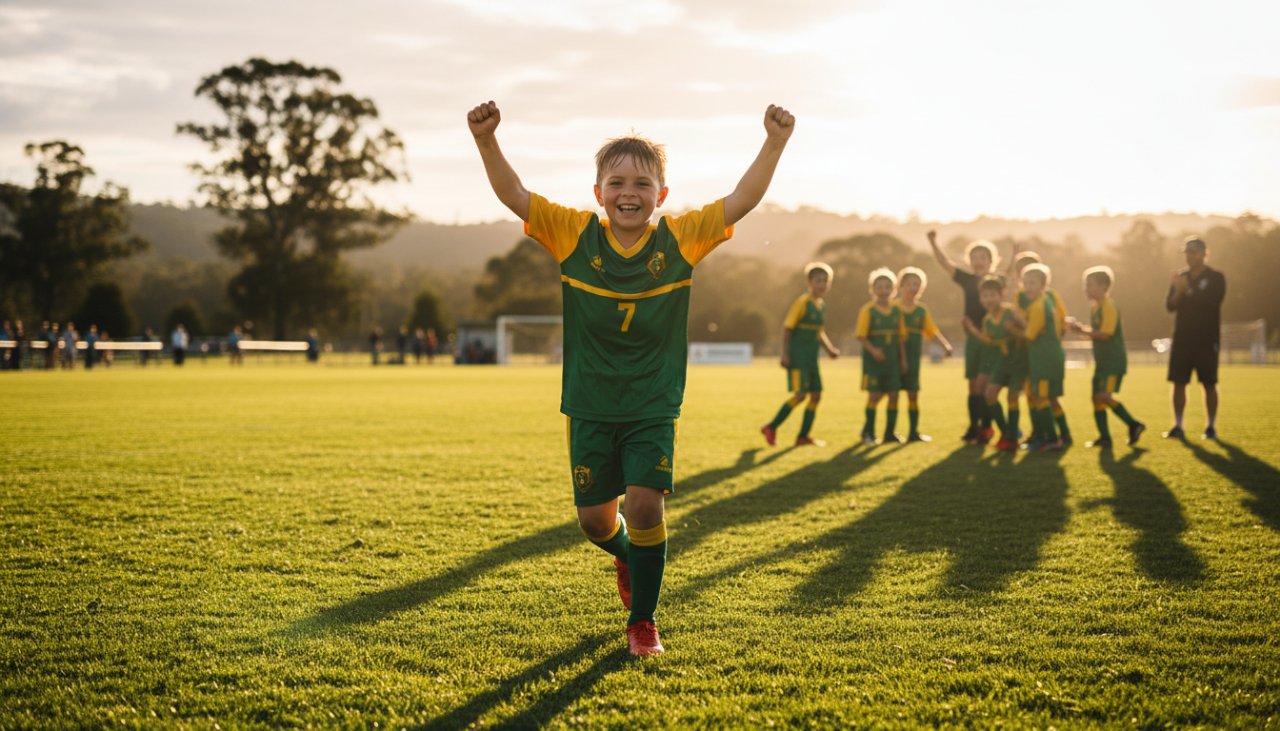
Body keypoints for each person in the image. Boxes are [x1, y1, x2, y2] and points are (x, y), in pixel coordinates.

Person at [468, 98, 794, 656]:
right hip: (590, 404)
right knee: (596, 522)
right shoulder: (573, 235)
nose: (629, 192)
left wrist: (774, 141)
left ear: (661, 195)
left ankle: (643, 622)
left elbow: (741, 200)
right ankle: (625, 554)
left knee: (645, 504)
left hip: (652, 402)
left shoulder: (680, 239)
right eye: (616, 182)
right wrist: (486, 140)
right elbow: (514, 196)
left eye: (643, 184)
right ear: (598, 193)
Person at [927, 231, 1013, 442]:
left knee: (985, 385)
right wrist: (933, 242)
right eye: (974, 258)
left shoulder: (997, 280)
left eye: (983, 257)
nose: (978, 261)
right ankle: (974, 427)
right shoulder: (967, 279)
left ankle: (987, 428)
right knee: (973, 385)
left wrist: (1016, 253)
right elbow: (945, 263)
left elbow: (1011, 271)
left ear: (991, 261)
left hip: (992, 339)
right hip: (973, 338)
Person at [761, 262, 840, 448]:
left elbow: (819, 332)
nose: (822, 285)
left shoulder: (820, 305)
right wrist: (784, 354)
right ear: (809, 283)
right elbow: (787, 329)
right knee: (801, 395)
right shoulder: (802, 303)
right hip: (798, 358)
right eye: (818, 281)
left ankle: (803, 437)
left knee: (816, 396)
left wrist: (829, 350)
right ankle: (771, 427)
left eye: (825, 281)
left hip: (812, 360)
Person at [1069, 266, 1146, 448]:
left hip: (1113, 361)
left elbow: (1105, 335)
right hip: (1102, 362)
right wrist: (1080, 330)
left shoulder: (1109, 306)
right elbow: (1096, 333)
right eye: (1085, 285)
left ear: (1104, 286)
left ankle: (1134, 424)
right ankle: (1105, 437)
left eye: (1090, 285)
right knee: (1096, 398)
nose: (1086, 289)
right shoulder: (1096, 308)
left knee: (1103, 396)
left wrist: (1082, 330)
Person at [1164, 236, 1226, 440]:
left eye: (1194, 252)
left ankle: (1210, 426)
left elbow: (1211, 302)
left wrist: (1187, 291)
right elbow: (1170, 306)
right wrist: (1179, 291)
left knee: (1209, 383)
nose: (1190, 257)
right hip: (1182, 339)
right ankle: (1178, 425)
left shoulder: (1216, 277)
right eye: (1188, 253)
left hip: (1206, 340)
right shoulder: (1181, 277)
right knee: (1178, 382)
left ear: (1204, 254)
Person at [962, 276, 1023, 450]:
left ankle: (1014, 435)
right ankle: (1006, 434)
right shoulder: (987, 320)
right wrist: (972, 329)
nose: (988, 300)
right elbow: (988, 340)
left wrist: (1015, 331)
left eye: (992, 295)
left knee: (1013, 398)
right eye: (985, 296)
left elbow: (1027, 331)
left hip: (1016, 362)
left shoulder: (1011, 312)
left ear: (1002, 295)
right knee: (989, 394)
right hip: (1001, 363)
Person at [895, 266, 953, 442]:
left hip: (913, 357)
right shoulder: (893, 308)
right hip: (893, 357)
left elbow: (931, 331)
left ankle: (913, 432)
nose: (913, 288)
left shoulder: (921, 310)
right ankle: (887, 432)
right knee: (890, 394)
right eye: (909, 284)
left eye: (917, 285)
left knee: (913, 393)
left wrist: (945, 345)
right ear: (901, 286)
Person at [855, 268, 907, 445]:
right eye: (880, 287)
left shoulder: (896, 311)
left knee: (894, 395)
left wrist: (903, 360)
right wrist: (874, 351)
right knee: (874, 396)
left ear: (893, 290)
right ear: (873, 289)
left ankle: (889, 433)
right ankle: (868, 433)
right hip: (873, 362)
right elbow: (861, 336)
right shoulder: (868, 310)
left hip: (892, 362)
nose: (884, 291)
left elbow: (901, 338)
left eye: (888, 287)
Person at [1020, 264, 1067, 451]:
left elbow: (1029, 334)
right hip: (1042, 358)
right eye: (1025, 283)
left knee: (1042, 397)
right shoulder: (1041, 303)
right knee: (1037, 395)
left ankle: (1053, 439)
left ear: (1043, 285)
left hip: (1046, 359)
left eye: (1032, 283)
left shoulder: (1040, 306)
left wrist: (1016, 321)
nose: (1028, 287)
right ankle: (1042, 437)